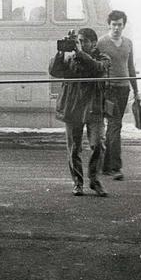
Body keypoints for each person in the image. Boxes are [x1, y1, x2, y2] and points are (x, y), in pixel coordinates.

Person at [49, 28, 111, 197]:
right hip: (73, 107)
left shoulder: (103, 58)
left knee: (98, 144)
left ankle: (94, 180)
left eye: (84, 41)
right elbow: (54, 71)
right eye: (79, 41)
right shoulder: (71, 59)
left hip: (94, 107)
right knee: (74, 148)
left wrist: (80, 52)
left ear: (93, 43)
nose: (80, 44)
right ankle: (77, 182)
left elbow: (97, 68)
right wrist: (61, 51)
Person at [96, 10, 140, 181]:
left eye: (119, 24)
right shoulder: (102, 42)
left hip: (124, 90)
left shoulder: (128, 43)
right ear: (109, 25)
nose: (116, 28)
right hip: (109, 89)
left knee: (114, 127)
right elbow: (96, 67)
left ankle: (106, 167)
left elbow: (130, 68)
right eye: (113, 24)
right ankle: (115, 167)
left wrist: (136, 91)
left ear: (124, 25)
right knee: (115, 126)